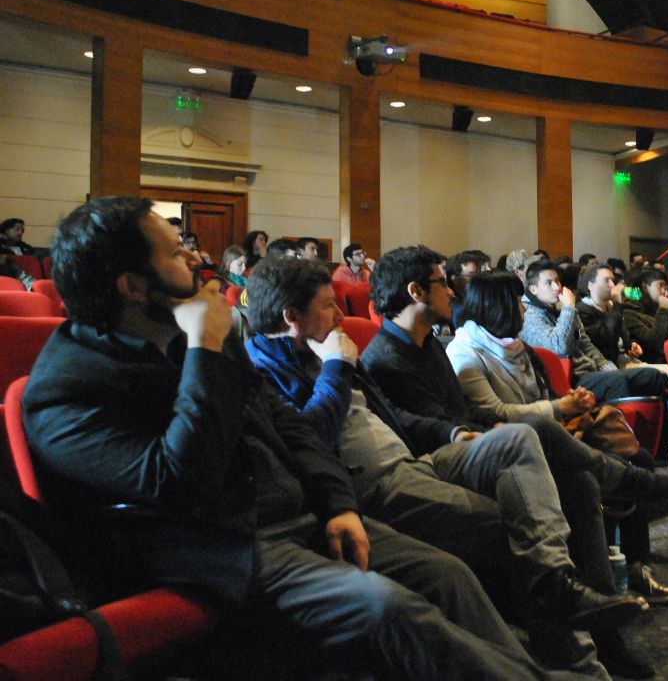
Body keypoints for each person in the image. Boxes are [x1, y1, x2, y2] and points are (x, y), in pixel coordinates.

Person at [22, 197, 591, 681]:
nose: (194, 257)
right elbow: (178, 480)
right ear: (131, 285)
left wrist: (335, 501)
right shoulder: (64, 390)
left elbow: (288, 427)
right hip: (220, 551)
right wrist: (201, 351)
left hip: (300, 519)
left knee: (447, 575)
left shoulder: (191, 341)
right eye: (174, 252)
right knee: (387, 607)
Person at [243, 258, 646, 638]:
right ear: (291, 318)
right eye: (328, 306)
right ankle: (568, 623)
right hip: (374, 484)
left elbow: (397, 416)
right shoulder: (270, 371)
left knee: (526, 443)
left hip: (416, 459)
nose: (338, 316)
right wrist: (336, 368)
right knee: (526, 510)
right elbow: (310, 442)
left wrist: (452, 434)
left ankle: (570, 595)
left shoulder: (373, 349)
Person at [362, 246, 668, 679]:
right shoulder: (382, 357)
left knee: (580, 485)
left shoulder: (429, 347)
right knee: (530, 432)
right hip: (435, 461)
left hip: (472, 446)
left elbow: (466, 411)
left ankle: (605, 631)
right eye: (441, 282)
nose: (450, 290)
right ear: (415, 291)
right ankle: (621, 481)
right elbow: (414, 427)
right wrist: (464, 431)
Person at [447, 272, 668, 611]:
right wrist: (560, 407)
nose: (523, 312)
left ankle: (633, 569)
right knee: (584, 480)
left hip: (553, 437)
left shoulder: (518, 346)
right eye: (516, 304)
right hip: (512, 450)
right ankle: (605, 593)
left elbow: (546, 396)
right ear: (496, 307)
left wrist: (574, 400)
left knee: (639, 458)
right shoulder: (466, 352)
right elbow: (494, 411)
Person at [520, 261, 665, 404]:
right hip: (568, 380)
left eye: (557, 281)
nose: (557, 287)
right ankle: (619, 426)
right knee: (616, 381)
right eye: (549, 283)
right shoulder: (529, 317)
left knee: (652, 376)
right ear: (533, 289)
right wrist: (569, 308)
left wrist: (607, 367)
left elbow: (586, 344)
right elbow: (559, 347)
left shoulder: (562, 308)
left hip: (591, 371)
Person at [576, 264, 643, 368]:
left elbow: (623, 334)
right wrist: (617, 303)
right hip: (603, 365)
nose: (612, 285)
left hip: (622, 360)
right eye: (606, 280)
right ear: (590, 285)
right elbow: (606, 341)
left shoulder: (611, 307)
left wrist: (631, 345)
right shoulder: (582, 311)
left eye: (612, 280)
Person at [621, 267, 668, 365]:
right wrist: (663, 309)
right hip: (654, 363)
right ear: (645, 287)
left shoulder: (656, 307)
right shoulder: (629, 313)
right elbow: (654, 342)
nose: (665, 293)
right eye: (660, 286)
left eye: (666, 288)